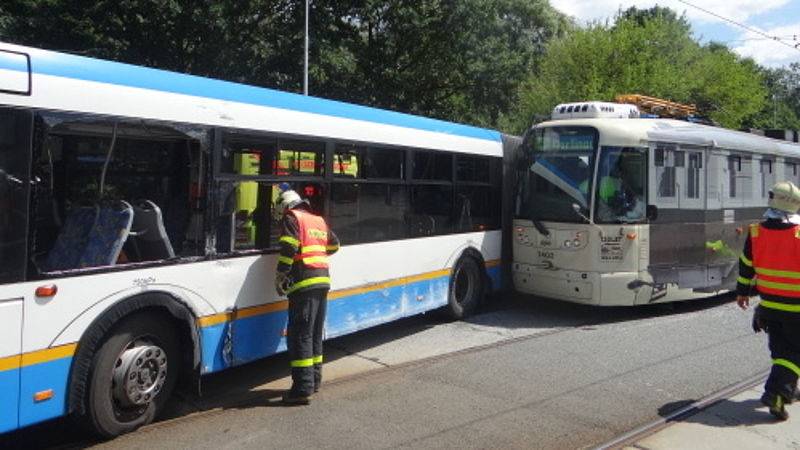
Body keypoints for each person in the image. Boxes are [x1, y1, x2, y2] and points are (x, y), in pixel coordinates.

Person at [737, 180, 800, 420]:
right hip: (797, 307)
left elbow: (746, 266)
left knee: (781, 351)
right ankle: (776, 394)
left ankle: (789, 386)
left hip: (769, 306)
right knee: (796, 354)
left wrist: (742, 292)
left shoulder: (755, 232)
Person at [274, 185, 339, 405]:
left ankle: (302, 389)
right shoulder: (316, 220)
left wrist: (281, 275)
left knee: (300, 335)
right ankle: (315, 381)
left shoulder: (292, 218)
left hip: (304, 283)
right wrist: (317, 254)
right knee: (313, 334)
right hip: (322, 281)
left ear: (285, 205)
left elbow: (288, 249)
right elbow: (334, 245)